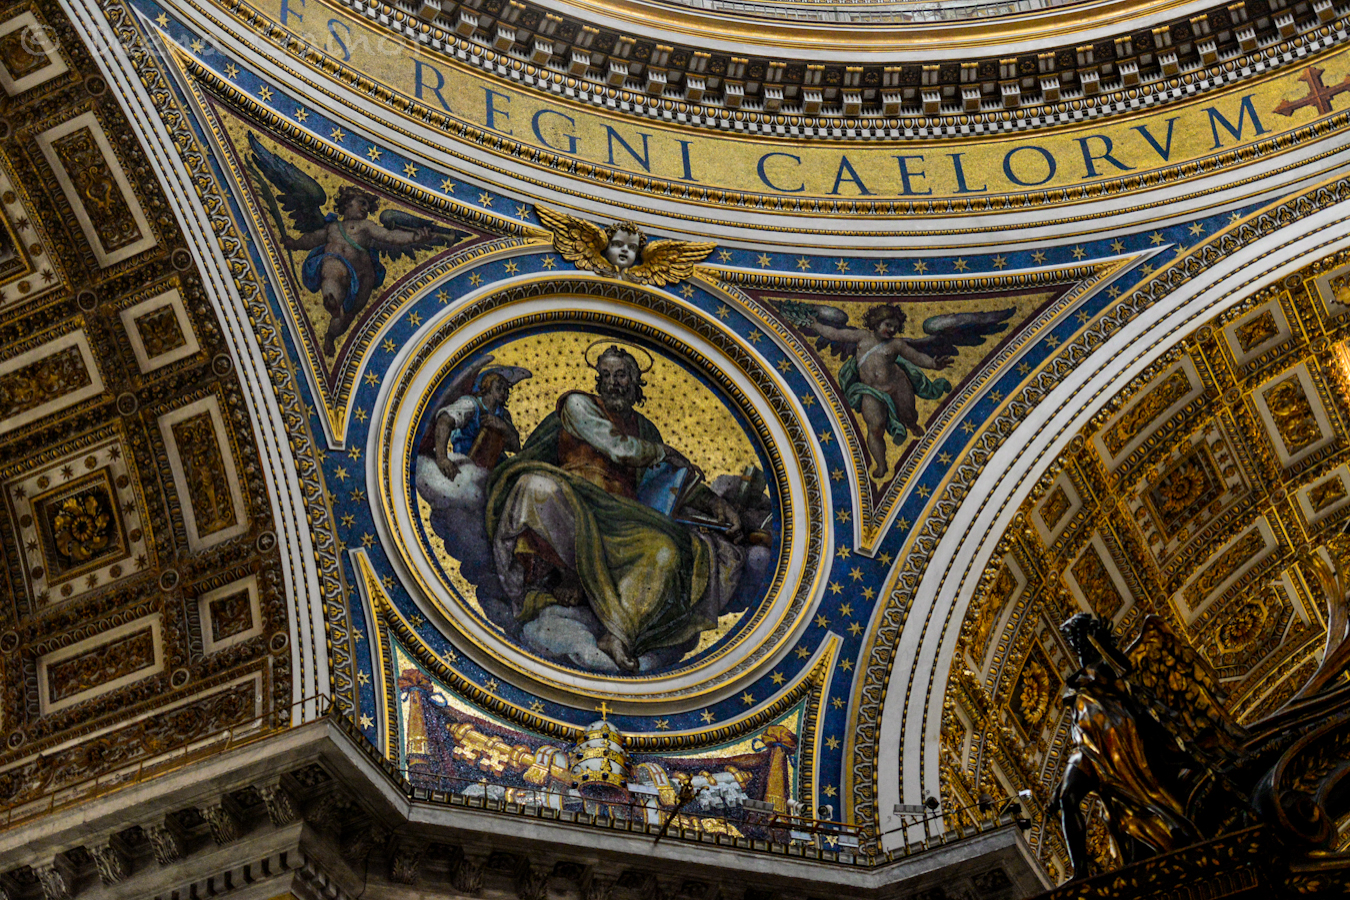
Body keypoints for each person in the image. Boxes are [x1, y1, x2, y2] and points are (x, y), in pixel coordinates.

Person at [485, 345, 746, 673]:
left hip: (621, 516)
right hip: (572, 501)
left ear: (636, 383)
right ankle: (570, 574)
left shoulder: (645, 430)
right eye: (605, 375)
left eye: (621, 375)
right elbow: (619, 448)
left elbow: (670, 480)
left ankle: (619, 634)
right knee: (535, 487)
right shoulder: (578, 404)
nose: (612, 383)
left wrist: (716, 503)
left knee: (666, 550)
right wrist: (663, 451)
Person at [806, 304, 952, 478]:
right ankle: (881, 464)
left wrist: (933, 364)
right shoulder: (862, 337)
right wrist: (816, 325)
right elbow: (836, 334)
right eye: (888, 325)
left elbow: (915, 356)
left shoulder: (896, 344)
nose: (891, 330)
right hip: (870, 391)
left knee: (908, 414)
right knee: (875, 428)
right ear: (876, 322)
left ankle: (912, 425)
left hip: (897, 386)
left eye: (895, 327)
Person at [283, 187, 432, 356]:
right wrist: (295, 244)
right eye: (362, 203)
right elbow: (312, 239)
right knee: (331, 270)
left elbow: (389, 236)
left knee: (349, 315)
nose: (365, 208)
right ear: (347, 203)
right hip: (337, 264)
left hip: (363, 275)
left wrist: (415, 237)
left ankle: (331, 335)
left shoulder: (366, 225)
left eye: (367, 206)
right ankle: (332, 301)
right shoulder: (332, 227)